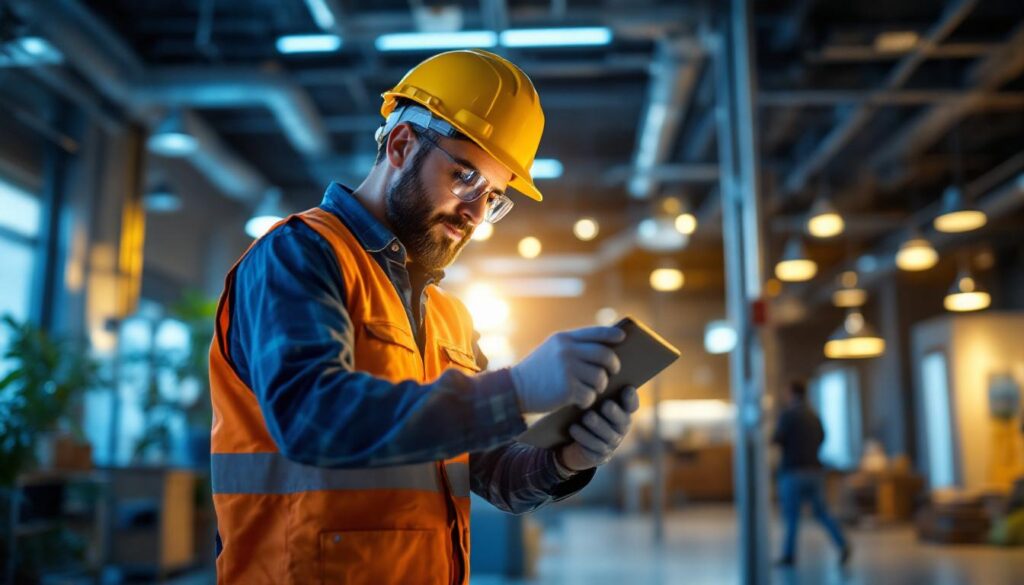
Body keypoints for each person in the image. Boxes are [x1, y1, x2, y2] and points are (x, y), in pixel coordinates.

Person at [207, 49, 639, 584]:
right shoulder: (299, 256)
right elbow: (313, 420)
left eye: (495, 199)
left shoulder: (450, 317)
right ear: (401, 144)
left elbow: (490, 473)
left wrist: (565, 457)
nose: (477, 214)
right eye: (466, 178)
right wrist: (519, 390)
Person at [771, 380, 851, 567]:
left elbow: (776, 439)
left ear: (791, 393)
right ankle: (842, 543)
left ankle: (789, 555)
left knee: (791, 516)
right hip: (814, 470)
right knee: (822, 512)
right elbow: (823, 437)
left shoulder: (788, 416)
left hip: (793, 471)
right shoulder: (814, 416)